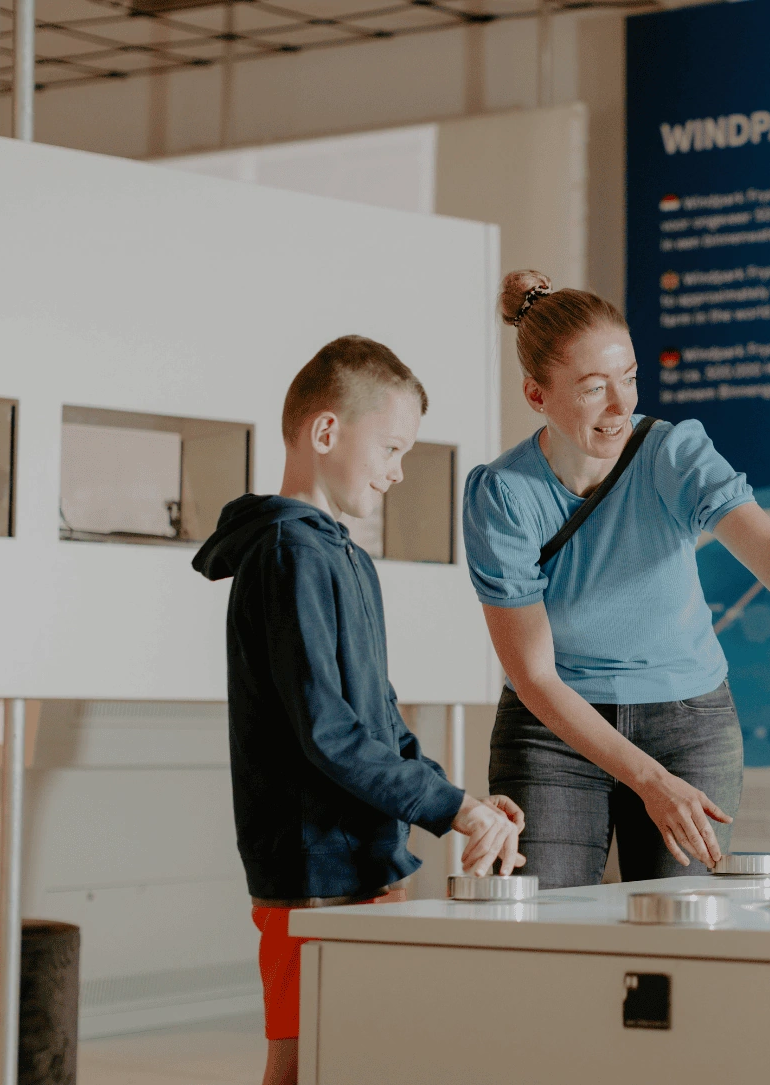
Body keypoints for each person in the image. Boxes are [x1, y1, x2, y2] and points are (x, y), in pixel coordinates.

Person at [463, 271, 770, 889]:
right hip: (554, 731)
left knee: (682, 920)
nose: (620, 406)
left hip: (687, 724)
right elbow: (534, 676)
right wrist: (650, 781)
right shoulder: (503, 494)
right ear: (536, 394)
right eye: (594, 388)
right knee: (543, 920)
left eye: (630, 377)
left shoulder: (672, 454)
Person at [193, 335, 525, 1085]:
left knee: (356, 1055)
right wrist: (452, 810)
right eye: (392, 447)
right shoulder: (288, 554)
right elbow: (327, 732)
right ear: (326, 431)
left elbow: (381, 721)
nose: (398, 471)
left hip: (366, 859)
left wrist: (461, 803)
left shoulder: (342, 555)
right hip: (314, 870)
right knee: (302, 1062)